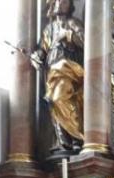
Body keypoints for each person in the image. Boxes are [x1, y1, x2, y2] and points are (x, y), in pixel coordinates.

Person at [31, 0, 85, 156]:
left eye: (64, 1)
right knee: (52, 103)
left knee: (59, 99)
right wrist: (37, 55)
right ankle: (65, 142)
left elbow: (85, 42)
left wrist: (68, 35)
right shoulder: (49, 28)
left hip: (68, 69)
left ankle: (78, 137)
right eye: (57, 1)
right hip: (52, 71)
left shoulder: (73, 23)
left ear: (70, 6)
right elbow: (43, 48)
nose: (59, 3)